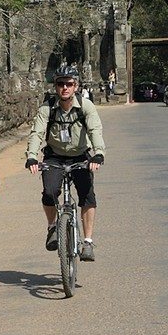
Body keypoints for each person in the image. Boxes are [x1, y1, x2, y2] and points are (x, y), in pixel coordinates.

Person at [25, 66, 105, 261]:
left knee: (87, 195)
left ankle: (87, 241)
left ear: (75, 86)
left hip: (80, 156)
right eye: (60, 84)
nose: (65, 88)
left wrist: (98, 153)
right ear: (55, 87)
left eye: (69, 84)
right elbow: (37, 133)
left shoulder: (85, 106)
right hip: (54, 156)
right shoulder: (47, 108)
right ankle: (52, 226)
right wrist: (32, 156)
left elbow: (95, 129)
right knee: (49, 192)